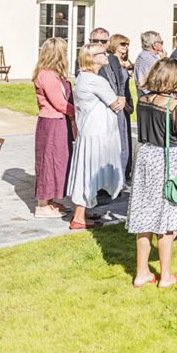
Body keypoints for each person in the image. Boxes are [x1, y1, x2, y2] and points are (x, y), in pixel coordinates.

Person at [127, 59, 177, 289]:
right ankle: (165, 275)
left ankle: (142, 273)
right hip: (168, 159)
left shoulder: (144, 100)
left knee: (145, 217)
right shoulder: (173, 104)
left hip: (146, 157)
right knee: (167, 220)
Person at [67, 43, 126, 230]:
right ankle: (79, 216)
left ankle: (84, 210)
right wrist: (122, 99)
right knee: (88, 172)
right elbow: (116, 103)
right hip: (97, 133)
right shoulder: (95, 80)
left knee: (88, 170)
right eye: (102, 53)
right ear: (92, 58)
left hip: (90, 131)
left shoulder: (83, 77)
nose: (106, 55)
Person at [32, 37, 75, 218]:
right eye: (64, 51)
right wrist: (79, 113)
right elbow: (59, 103)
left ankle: (51, 200)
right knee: (48, 162)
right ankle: (42, 205)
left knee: (59, 161)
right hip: (51, 123)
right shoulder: (46, 75)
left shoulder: (54, 73)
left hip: (59, 122)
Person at [102, 34, 134, 178]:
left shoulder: (123, 62)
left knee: (125, 138)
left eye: (127, 44)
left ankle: (124, 170)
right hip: (118, 104)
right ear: (114, 44)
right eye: (122, 44)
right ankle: (118, 174)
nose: (126, 47)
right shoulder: (111, 60)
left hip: (125, 103)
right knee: (120, 140)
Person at [134, 31, 164, 96]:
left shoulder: (148, 56)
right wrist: (164, 61)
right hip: (150, 98)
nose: (162, 44)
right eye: (161, 42)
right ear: (154, 45)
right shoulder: (147, 59)